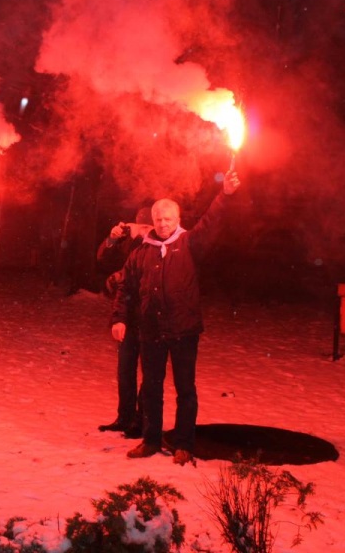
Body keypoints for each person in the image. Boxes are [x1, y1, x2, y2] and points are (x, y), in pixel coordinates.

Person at [112, 170, 241, 466]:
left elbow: (211, 222)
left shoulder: (190, 244)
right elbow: (125, 288)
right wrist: (119, 319)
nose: (163, 224)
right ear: (152, 221)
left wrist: (225, 195)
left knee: (185, 390)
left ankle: (184, 444)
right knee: (151, 389)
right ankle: (151, 440)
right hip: (151, 331)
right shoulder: (141, 252)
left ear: (178, 220)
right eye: (158, 219)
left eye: (168, 219)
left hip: (183, 330)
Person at [97, 208, 152, 438]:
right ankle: (125, 417)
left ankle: (141, 420)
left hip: (151, 316)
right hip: (128, 314)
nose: (145, 231)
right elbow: (103, 258)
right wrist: (111, 239)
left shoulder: (163, 243)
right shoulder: (127, 241)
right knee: (125, 369)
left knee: (150, 371)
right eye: (142, 226)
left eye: (149, 227)